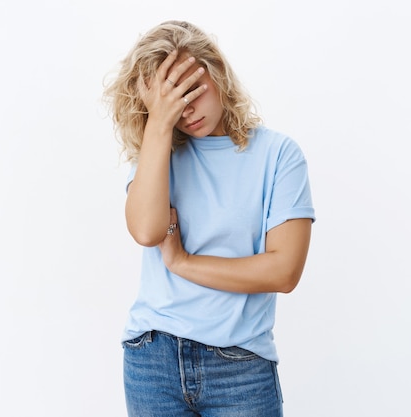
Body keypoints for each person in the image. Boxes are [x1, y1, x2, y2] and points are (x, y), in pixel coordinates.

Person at [103, 20, 315, 417]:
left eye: (190, 92)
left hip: (241, 366)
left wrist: (183, 263)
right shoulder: (158, 153)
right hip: (153, 357)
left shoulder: (279, 155)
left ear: (215, 70)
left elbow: (284, 272)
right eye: (169, 101)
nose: (186, 111)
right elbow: (147, 231)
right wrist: (159, 125)